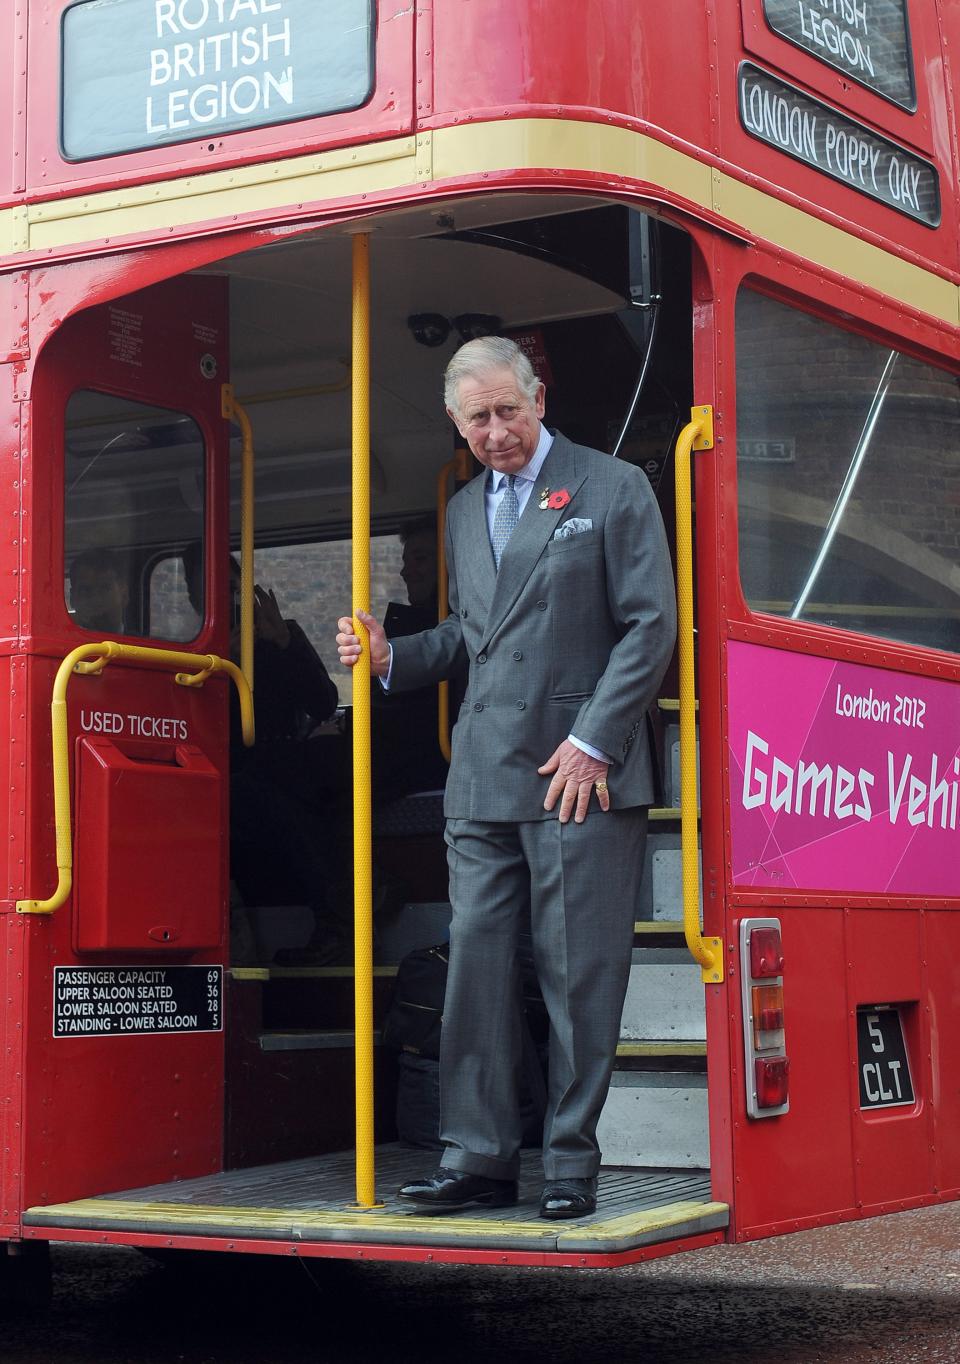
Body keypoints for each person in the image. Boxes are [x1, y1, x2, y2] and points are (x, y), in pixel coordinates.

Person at [337, 336, 676, 1219]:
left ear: (538, 400)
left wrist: (597, 740)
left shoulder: (613, 486)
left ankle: (569, 1164)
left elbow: (649, 627)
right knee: (475, 970)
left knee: (576, 974)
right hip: (484, 775)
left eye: (508, 411)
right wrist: (390, 656)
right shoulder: (461, 510)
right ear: (457, 422)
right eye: (477, 418)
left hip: (579, 775)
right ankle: (478, 1157)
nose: (496, 432)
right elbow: (470, 634)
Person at [68, 548, 129, 634]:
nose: (96, 600)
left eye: (105, 589)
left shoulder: (140, 646)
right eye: (85, 590)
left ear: (124, 594)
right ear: (72, 599)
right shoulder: (60, 645)